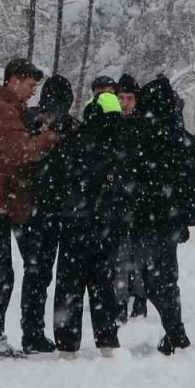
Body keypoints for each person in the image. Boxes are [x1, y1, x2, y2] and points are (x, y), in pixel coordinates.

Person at [0, 58, 59, 359]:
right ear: (14, 81)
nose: (32, 93)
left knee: (0, 269)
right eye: (30, 86)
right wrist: (49, 137)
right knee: (1, 271)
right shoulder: (1, 110)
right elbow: (20, 152)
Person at [52, 92, 129, 358]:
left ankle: (66, 344)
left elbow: (57, 181)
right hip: (105, 224)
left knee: (69, 284)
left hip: (75, 222)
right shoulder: (118, 146)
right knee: (104, 284)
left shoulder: (72, 143)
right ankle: (107, 341)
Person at [124, 76, 195, 355]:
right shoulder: (178, 135)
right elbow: (190, 180)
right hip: (167, 218)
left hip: (146, 218)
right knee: (165, 278)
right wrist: (186, 217)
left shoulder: (141, 133)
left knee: (152, 280)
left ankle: (176, 333)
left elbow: (133, 175)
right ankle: (175, 332)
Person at [12, 75, 80, 354]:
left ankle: (32, 330)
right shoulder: (71, 126)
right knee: (56, 273)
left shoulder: (27, 119)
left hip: (28, 205)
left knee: (34, 271)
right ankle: (45, 330)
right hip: (59, 207)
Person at [112, 72, 147, 321]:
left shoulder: (144, 126)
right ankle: (121, 301)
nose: (124, 103)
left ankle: (140, 298)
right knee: (122, 254)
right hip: (118, 199)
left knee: (140, 252)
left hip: (139, 198)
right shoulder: (112, 125)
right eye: (120, 98)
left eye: (129, 98)